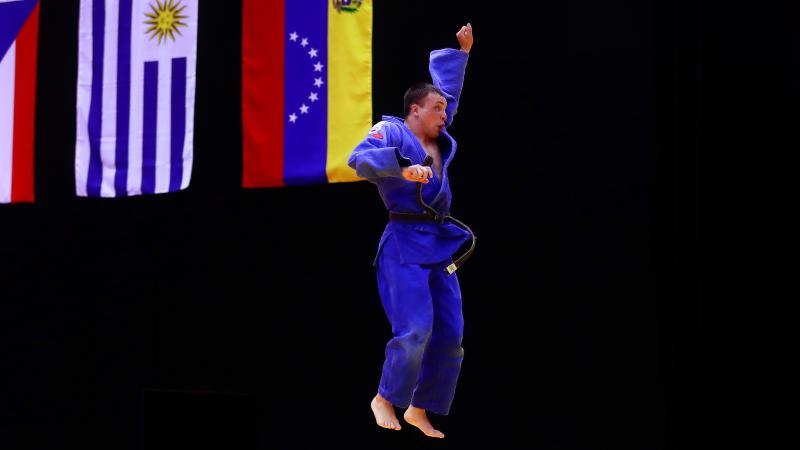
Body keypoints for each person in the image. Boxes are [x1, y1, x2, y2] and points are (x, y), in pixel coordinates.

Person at [347, 23, 474, 439]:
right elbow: (358, 159)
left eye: (444, 109)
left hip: (439, 244)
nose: (445, 114)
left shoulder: (438, 132)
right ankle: (386, 397)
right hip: (403, 244)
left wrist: (462, 54)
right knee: (416, 329)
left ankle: (421, 407)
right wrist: (401, 167)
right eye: (437, 108)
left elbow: (448, 93)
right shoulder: (394, 131)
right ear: (414, 110)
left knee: (452, 336)